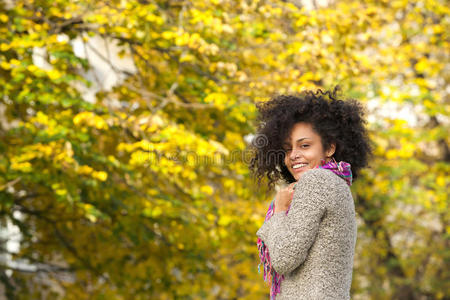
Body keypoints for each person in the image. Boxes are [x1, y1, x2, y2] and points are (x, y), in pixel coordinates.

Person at [249, 87, 372, 300]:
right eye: (288, 149)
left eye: (304, 145)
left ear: (329, 148)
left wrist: (278, 211)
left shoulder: (316, 181)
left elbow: (284, 259)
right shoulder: (337, 184)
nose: (294, 155)